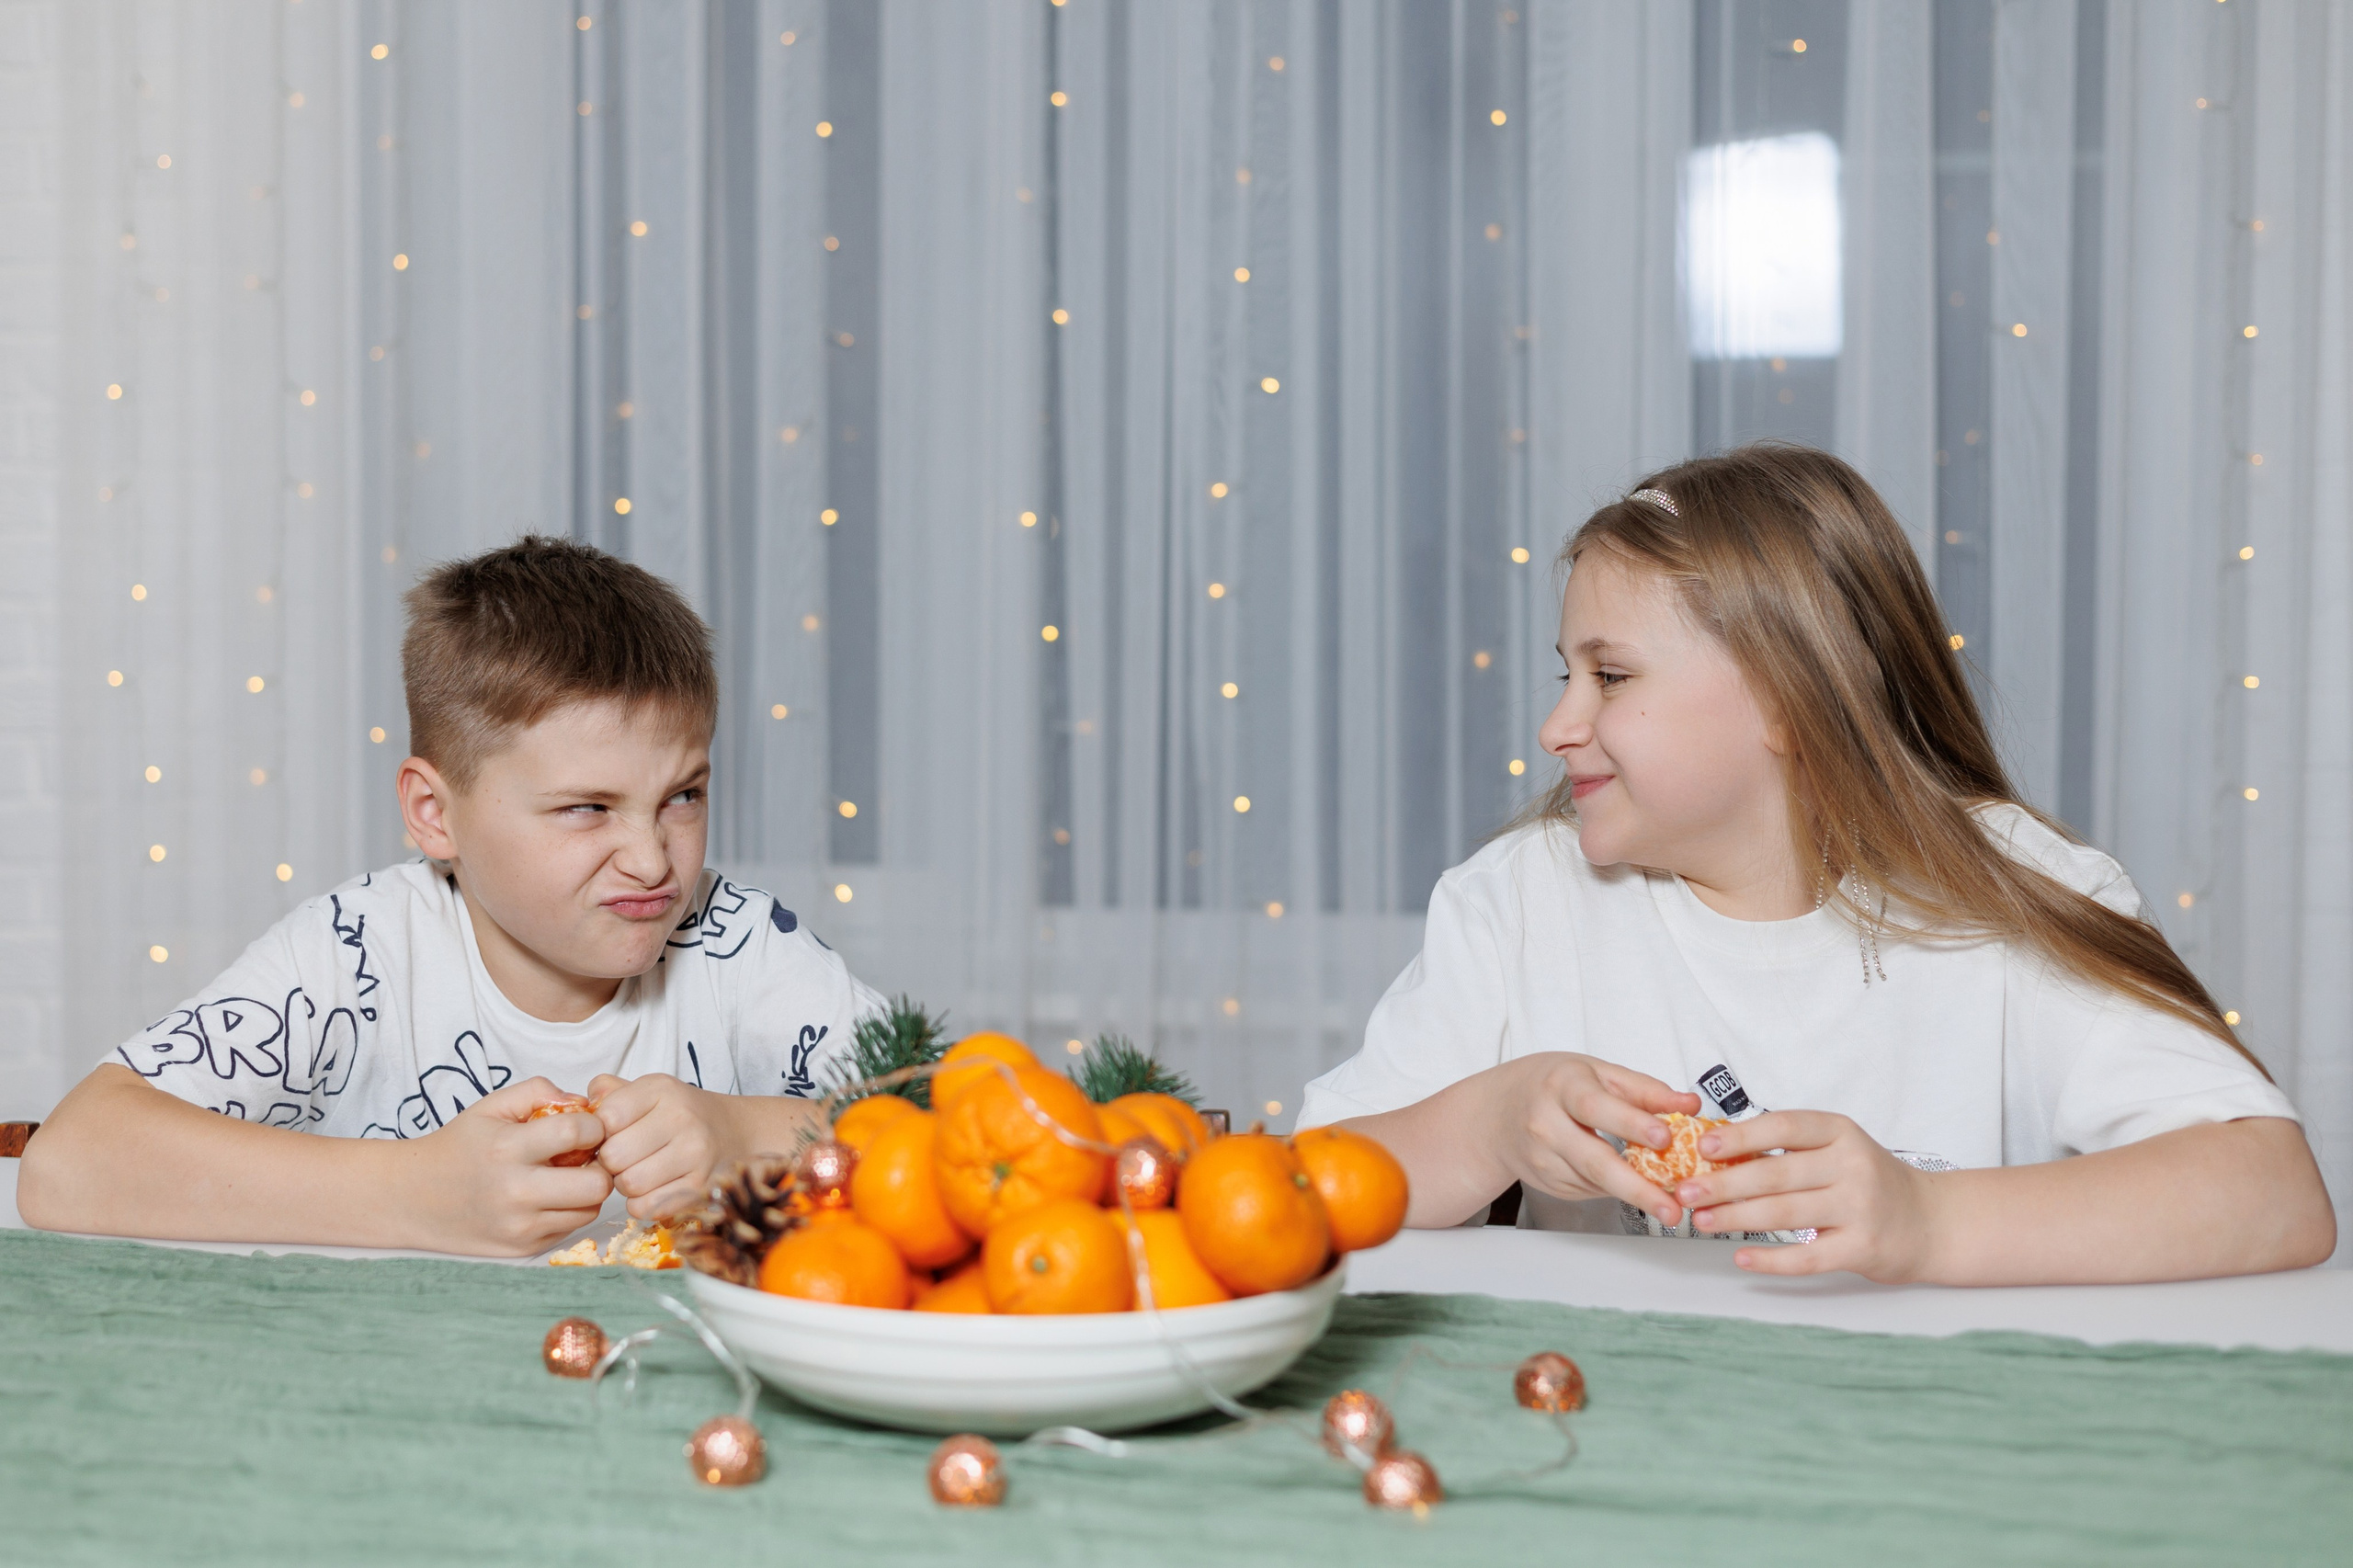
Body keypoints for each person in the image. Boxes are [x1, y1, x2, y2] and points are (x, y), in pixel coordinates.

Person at [1298, 445, 2335, 1284]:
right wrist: (1486, 1126)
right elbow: (1299, 1195)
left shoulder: (2016, 890)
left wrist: (1926, 1219)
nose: (1557, 724)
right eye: (1565, 674)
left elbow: (2273, 1193)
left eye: (1609, 676)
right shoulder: (1520, 902)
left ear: (1790, 700)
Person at [19, 538, 879, 1256]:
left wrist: (747, 1137)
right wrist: (415, 1193)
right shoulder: (357, 954)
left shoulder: (739, 944)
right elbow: (66, 1162)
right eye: (588, 808)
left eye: (683, 796)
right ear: (436, 814)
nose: (654, 861)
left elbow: (947, 1124)